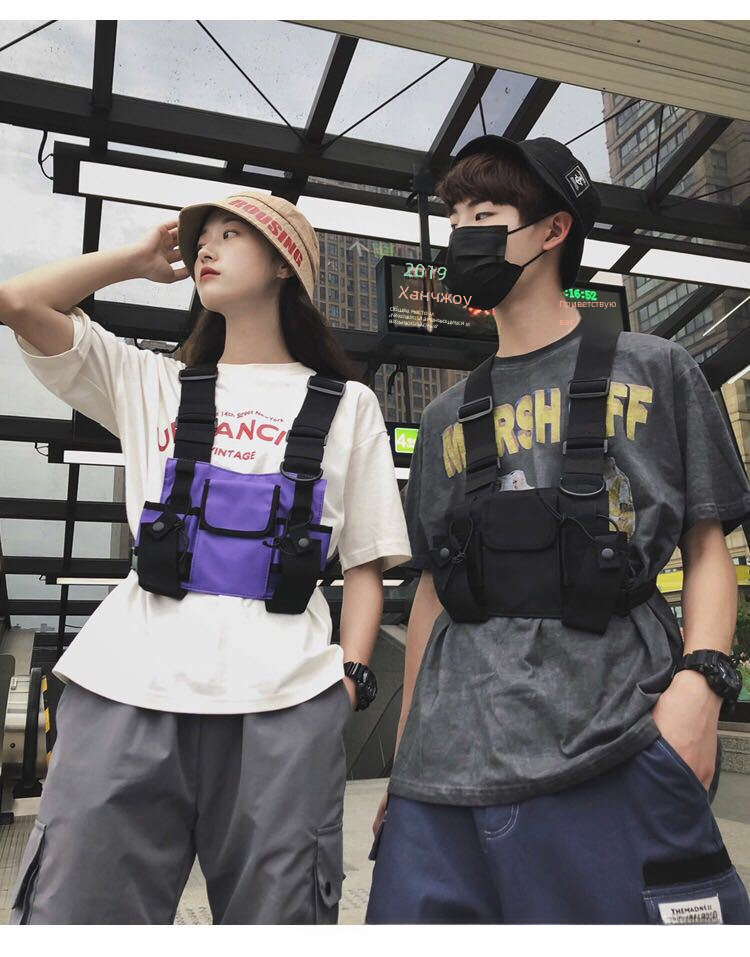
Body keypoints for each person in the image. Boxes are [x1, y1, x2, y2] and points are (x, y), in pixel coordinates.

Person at [365, 135, 750, 924]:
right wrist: (403, 766)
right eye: (454, 217)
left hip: (615, 745)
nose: (461, 233)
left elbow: (706, 547)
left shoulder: (657, 367)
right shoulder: (443, 417)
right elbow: (434, 596)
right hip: (442, 778)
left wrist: (701, 687)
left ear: (553, 229)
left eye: (485, 213)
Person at [1, 190, 412, 924]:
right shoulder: (152, 382)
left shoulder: (348, 405)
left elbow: (365, 564)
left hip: (285, 704)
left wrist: (347, 683)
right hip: (126, 689)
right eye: (202, 239)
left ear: (286, 265)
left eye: (231, 235)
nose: (206, 250)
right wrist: (134, 260)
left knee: (280, 921)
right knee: (76, 912)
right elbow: (18, 301)